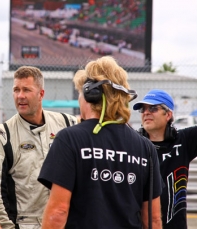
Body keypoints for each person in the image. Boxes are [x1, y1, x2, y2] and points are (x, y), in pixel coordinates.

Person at [38, 56, 163, 229]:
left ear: (90, 94)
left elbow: (58, 211)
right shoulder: (146, 148)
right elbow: (153, 219)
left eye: (80, 93)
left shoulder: (69, 139)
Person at [0, 65, 77, 228]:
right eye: (16, 90)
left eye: (26, 90)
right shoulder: (1, 136)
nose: (20, 96)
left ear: (41, 94)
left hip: (64, 221)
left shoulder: (68, 124)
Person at [133, 89, 197, 229]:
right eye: (143, 109)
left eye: (153, 108)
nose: (146, 112)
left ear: (168, 114)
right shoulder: (133, 144)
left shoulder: (184, 140)